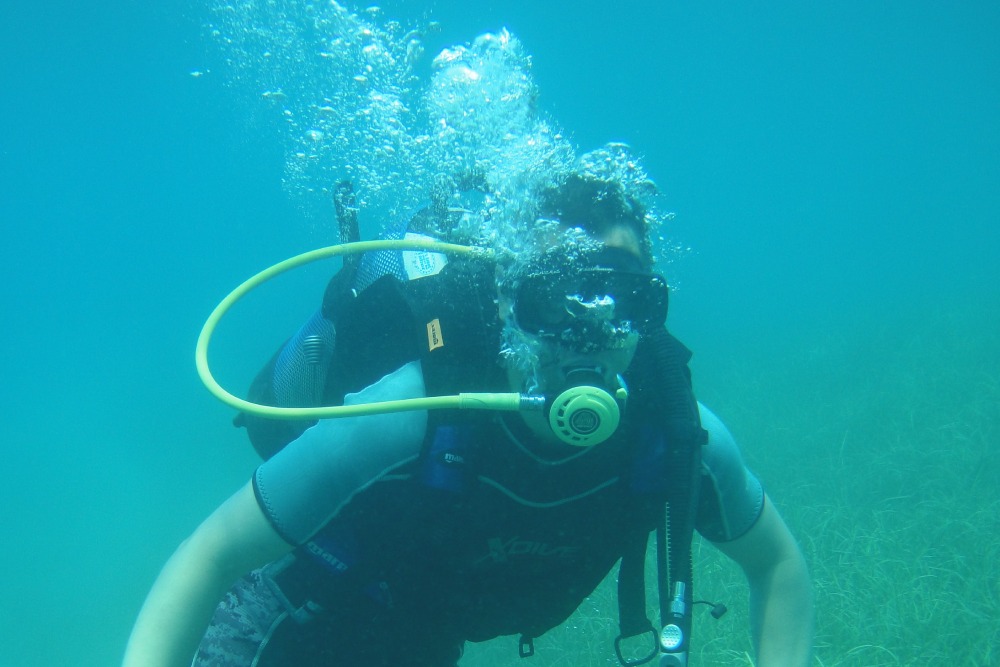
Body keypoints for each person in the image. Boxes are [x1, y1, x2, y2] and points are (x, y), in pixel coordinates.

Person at [123, 164, 814, 667]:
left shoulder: (678, 437)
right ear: (510, 303)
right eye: (557, 302)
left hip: (418, 638)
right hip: (291, 607)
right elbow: (210, 555)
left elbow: (778, 562)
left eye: (623, 300)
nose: (589, 335)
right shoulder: (412, 414)